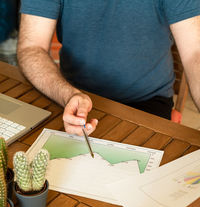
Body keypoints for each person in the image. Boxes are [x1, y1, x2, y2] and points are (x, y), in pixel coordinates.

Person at [17, 1, 200, 136]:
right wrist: (68, 95)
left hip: (147, 103)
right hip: (72, 99)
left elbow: (195, 54)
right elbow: (32, 48)